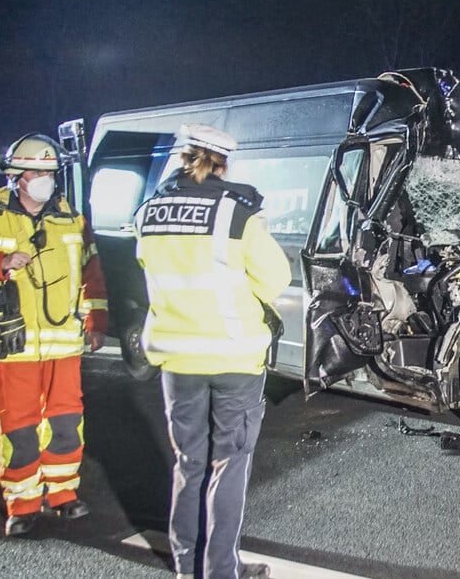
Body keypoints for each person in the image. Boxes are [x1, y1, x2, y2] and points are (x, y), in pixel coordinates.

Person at [133, 124, 291, 579]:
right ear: (224, 163)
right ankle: (222, 571)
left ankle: (187, 569)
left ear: (183, 158)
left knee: (189, 465)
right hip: (234, 360)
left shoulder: (150, 211)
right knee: (228, 466)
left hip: (177, 361)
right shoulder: (237, 215)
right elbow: (276, 280)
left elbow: (147, 267)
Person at [0, 133, 108, 536]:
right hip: (12, 347)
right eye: (36, 172)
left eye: (50, 173)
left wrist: (97, 322)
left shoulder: (72, 219)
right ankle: (23, 504)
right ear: (16, 176)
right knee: (19, 429)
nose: (45, 179)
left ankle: (64, 495)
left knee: (67, 424)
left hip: (64, 346)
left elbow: (92, 274)